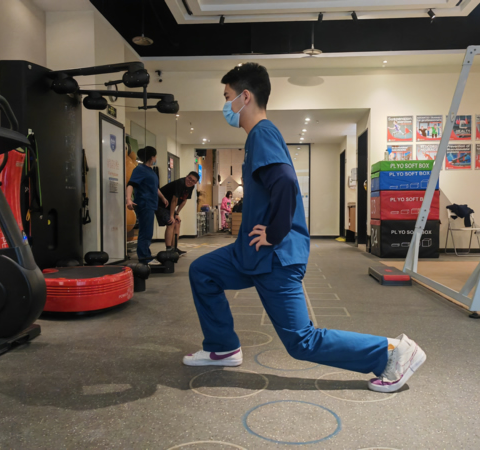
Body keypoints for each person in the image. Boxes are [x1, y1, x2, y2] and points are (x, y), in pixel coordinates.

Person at [182, 62, 427, 394]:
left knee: (302, 341)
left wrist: (274, 233)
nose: (225, 105)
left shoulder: (262, 133)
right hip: (249, 253)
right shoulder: (257, 137)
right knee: (203, 271)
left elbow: (284, 181)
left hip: (275, 257)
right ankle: (222, 346)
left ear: (245, 97)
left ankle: (392, 352)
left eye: (227, 97)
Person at [126, 146, 168, 263]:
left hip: (151, 204)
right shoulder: (140, 169)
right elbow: (131, 184)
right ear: (152, 157)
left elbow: (154, 187)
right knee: (145, 232)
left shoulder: (150, 170)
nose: (156, 158)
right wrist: (128, 199)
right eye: (155, 156)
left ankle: (146, 255)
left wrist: (162, 197)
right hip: (144, 204)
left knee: (148, 232)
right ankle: (144, 258)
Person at [156, 172, 200, 256]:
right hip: (160, 204)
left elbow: (184, 200)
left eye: (193, 181)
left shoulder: (191, 187)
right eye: (189, 178)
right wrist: (171, 216)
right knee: (171, 222)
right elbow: (174, 200)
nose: (190, 181)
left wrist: (177, 213)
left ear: (195, 183)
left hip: (169, 206)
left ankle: (174, 248)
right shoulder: (179, 183)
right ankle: (169, 249)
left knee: (177, 223)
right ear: (186, 176)